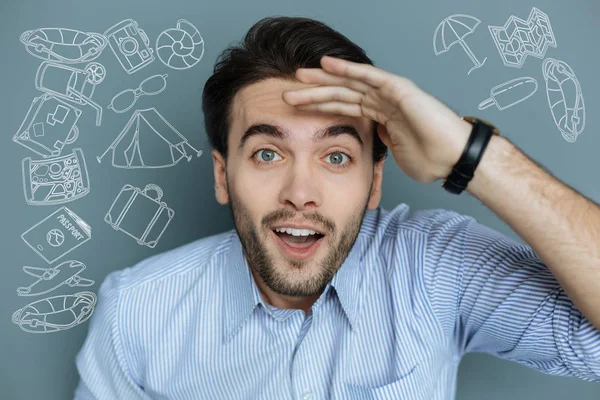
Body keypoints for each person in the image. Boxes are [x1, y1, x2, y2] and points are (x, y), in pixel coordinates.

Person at [74, 16, 600, 399]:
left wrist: (470, 155)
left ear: (375, 181)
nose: (300, 193)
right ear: (222, 175)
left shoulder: (434, 265)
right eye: (266, 153)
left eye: (336, 156)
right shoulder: (136, 312)